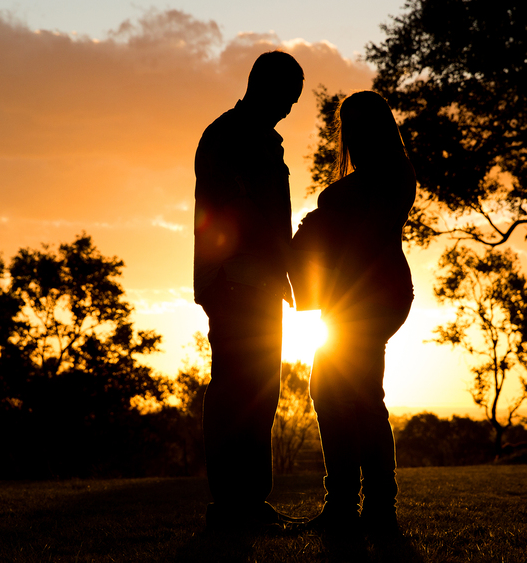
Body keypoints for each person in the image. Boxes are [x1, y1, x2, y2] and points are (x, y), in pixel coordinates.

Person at [292, 91, 416, 537]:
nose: (355, 133)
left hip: (374, 296)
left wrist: (318, 229)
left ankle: (374, 506)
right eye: (349, 124)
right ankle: (350, 503)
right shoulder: (370, 176)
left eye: (363, 123)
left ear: (381, 125)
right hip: (350, 298)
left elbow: (367, 238)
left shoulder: (393, 174)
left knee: (357, 395)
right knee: (334, 392)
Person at [193, 50, 305, 532]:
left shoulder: (262, 139)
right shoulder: (229, 135)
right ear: (261, 84)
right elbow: (242, 213)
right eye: (287, 95)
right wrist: (291, 263)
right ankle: (231, 506)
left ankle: (249, 504)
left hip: (259, 283)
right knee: (238, 392)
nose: (290, 107)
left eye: (295, 98)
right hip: (236, 280)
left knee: (260, 392)